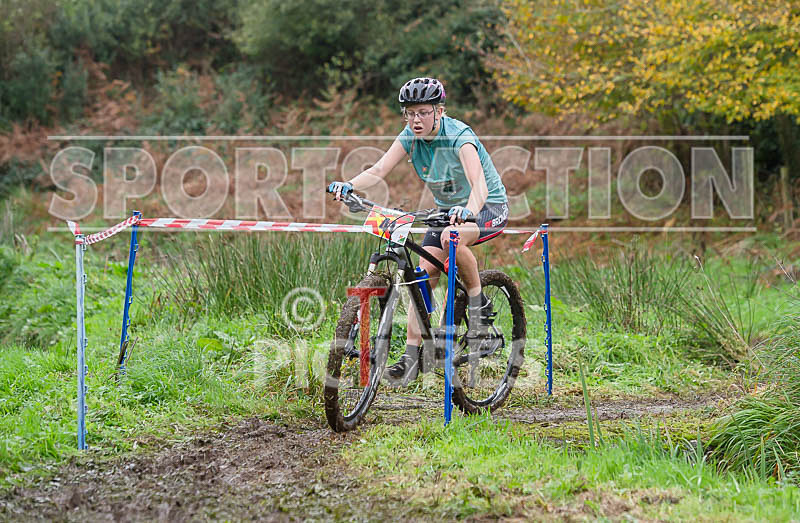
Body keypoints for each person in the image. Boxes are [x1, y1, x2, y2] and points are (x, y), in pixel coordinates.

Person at [327, 77, 509, 384]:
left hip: (486, 206)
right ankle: (413, 357)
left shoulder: (459, 136)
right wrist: (350, 185)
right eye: (410, 113)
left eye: (423, 112)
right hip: (447, 210)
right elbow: (379, 170)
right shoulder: (409, 136)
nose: (415, 120)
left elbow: (478, 184)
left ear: (440, 111)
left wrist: (468, 212)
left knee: (454, 239)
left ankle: (479, 311)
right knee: (422, 276)